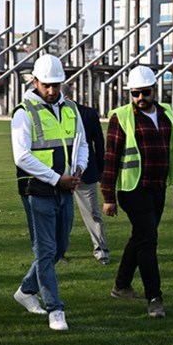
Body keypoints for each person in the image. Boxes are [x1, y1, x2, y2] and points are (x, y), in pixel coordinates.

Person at [101, 65, 173, 319]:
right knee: (148, 241)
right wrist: (108, 197)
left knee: (141, 238)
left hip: (157, 189)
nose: (140, 98)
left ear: (155, 90)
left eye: (144, 92)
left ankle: (121, 286)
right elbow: (110, 158)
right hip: (132, 189)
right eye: (135, 93)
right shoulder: (121, 117)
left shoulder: (165, 114)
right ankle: (155, 298)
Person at [10, 54, 89, 331]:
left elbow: (81, 143)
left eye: (56, 84)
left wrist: (79, 167)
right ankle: (55, 309)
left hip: (65, 188)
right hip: (38, 191)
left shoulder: (70, 109)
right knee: (45, 251)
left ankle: (26, 290)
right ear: (35, 82)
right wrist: (58, 179)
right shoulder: (24, 112)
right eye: (47, 85)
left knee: (59, 248)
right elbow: (22, 156)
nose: (53, 90)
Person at [60, 83, 109, 265]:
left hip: (82, 171)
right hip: (64, 174)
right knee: (83, 214)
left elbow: (98, 142)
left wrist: (101, 169)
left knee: (90, 213)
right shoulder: (86, 113)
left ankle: (100, 249)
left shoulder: (87, 114)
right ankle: (100, 251)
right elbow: (100, 143)